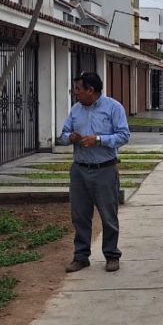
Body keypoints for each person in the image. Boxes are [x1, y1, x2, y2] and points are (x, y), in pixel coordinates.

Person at [59, 72, 130, 273]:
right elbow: (62, 135)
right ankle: (81, 257)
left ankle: (111, 255)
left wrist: (98, 140)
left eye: (78, 89)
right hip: (79, 170)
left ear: (91, 90)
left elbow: (124, 136)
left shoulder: (113, 108)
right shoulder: (76, 109)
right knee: (80, 216)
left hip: (104, 170)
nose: (76, 93)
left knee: (108, 216)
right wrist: (70, 138)